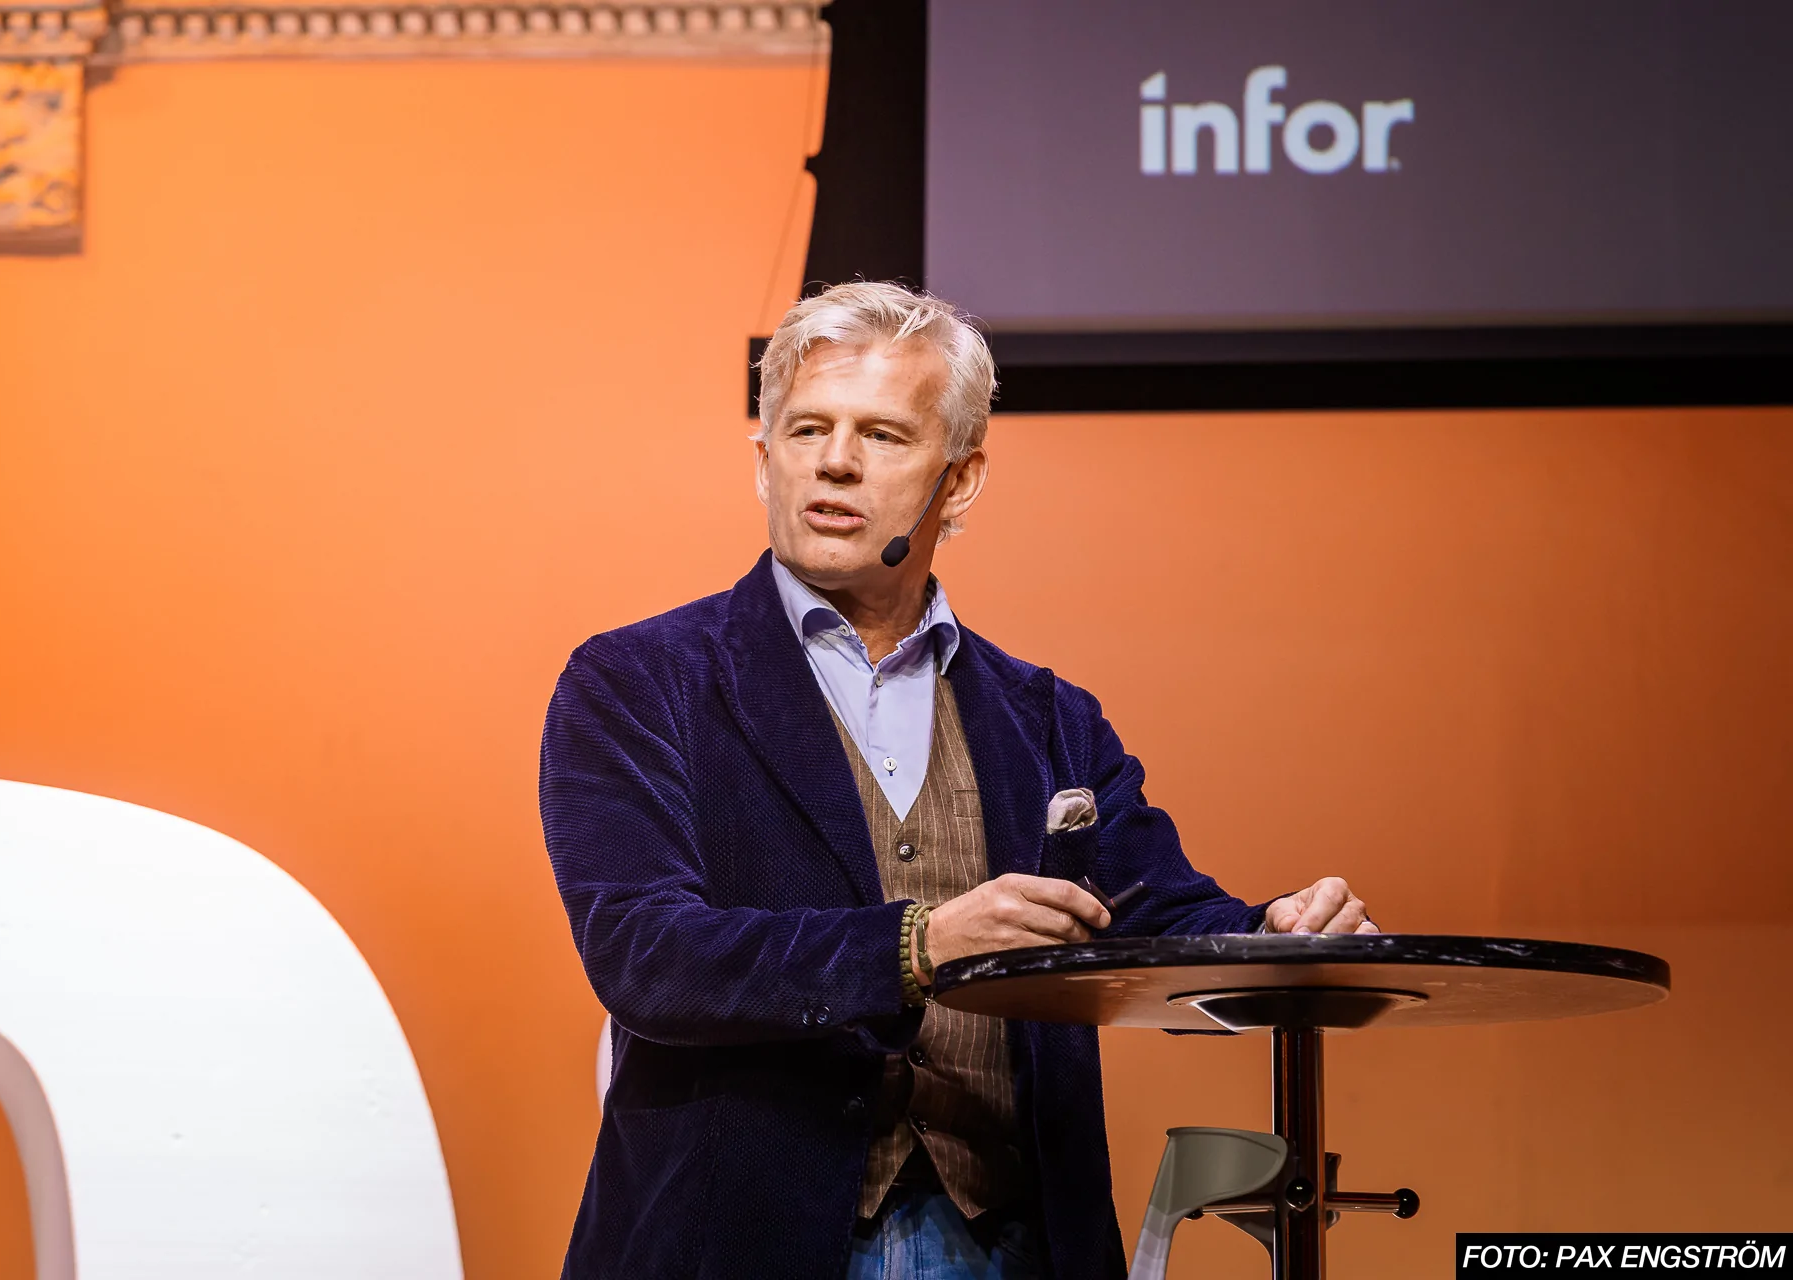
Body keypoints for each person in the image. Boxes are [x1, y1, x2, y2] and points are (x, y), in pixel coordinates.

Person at [539, 282, 1377, 1280]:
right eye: (807, 428)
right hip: (738, 1243)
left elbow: (1160, 921)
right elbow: (647, 954)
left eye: (884, 435)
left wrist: (1280, 931)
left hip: (1012, 1244)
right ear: (765, 459)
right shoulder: (639, 681)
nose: (835, 461)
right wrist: (917, 942)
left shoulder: (1050, 717)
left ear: (962, 479)